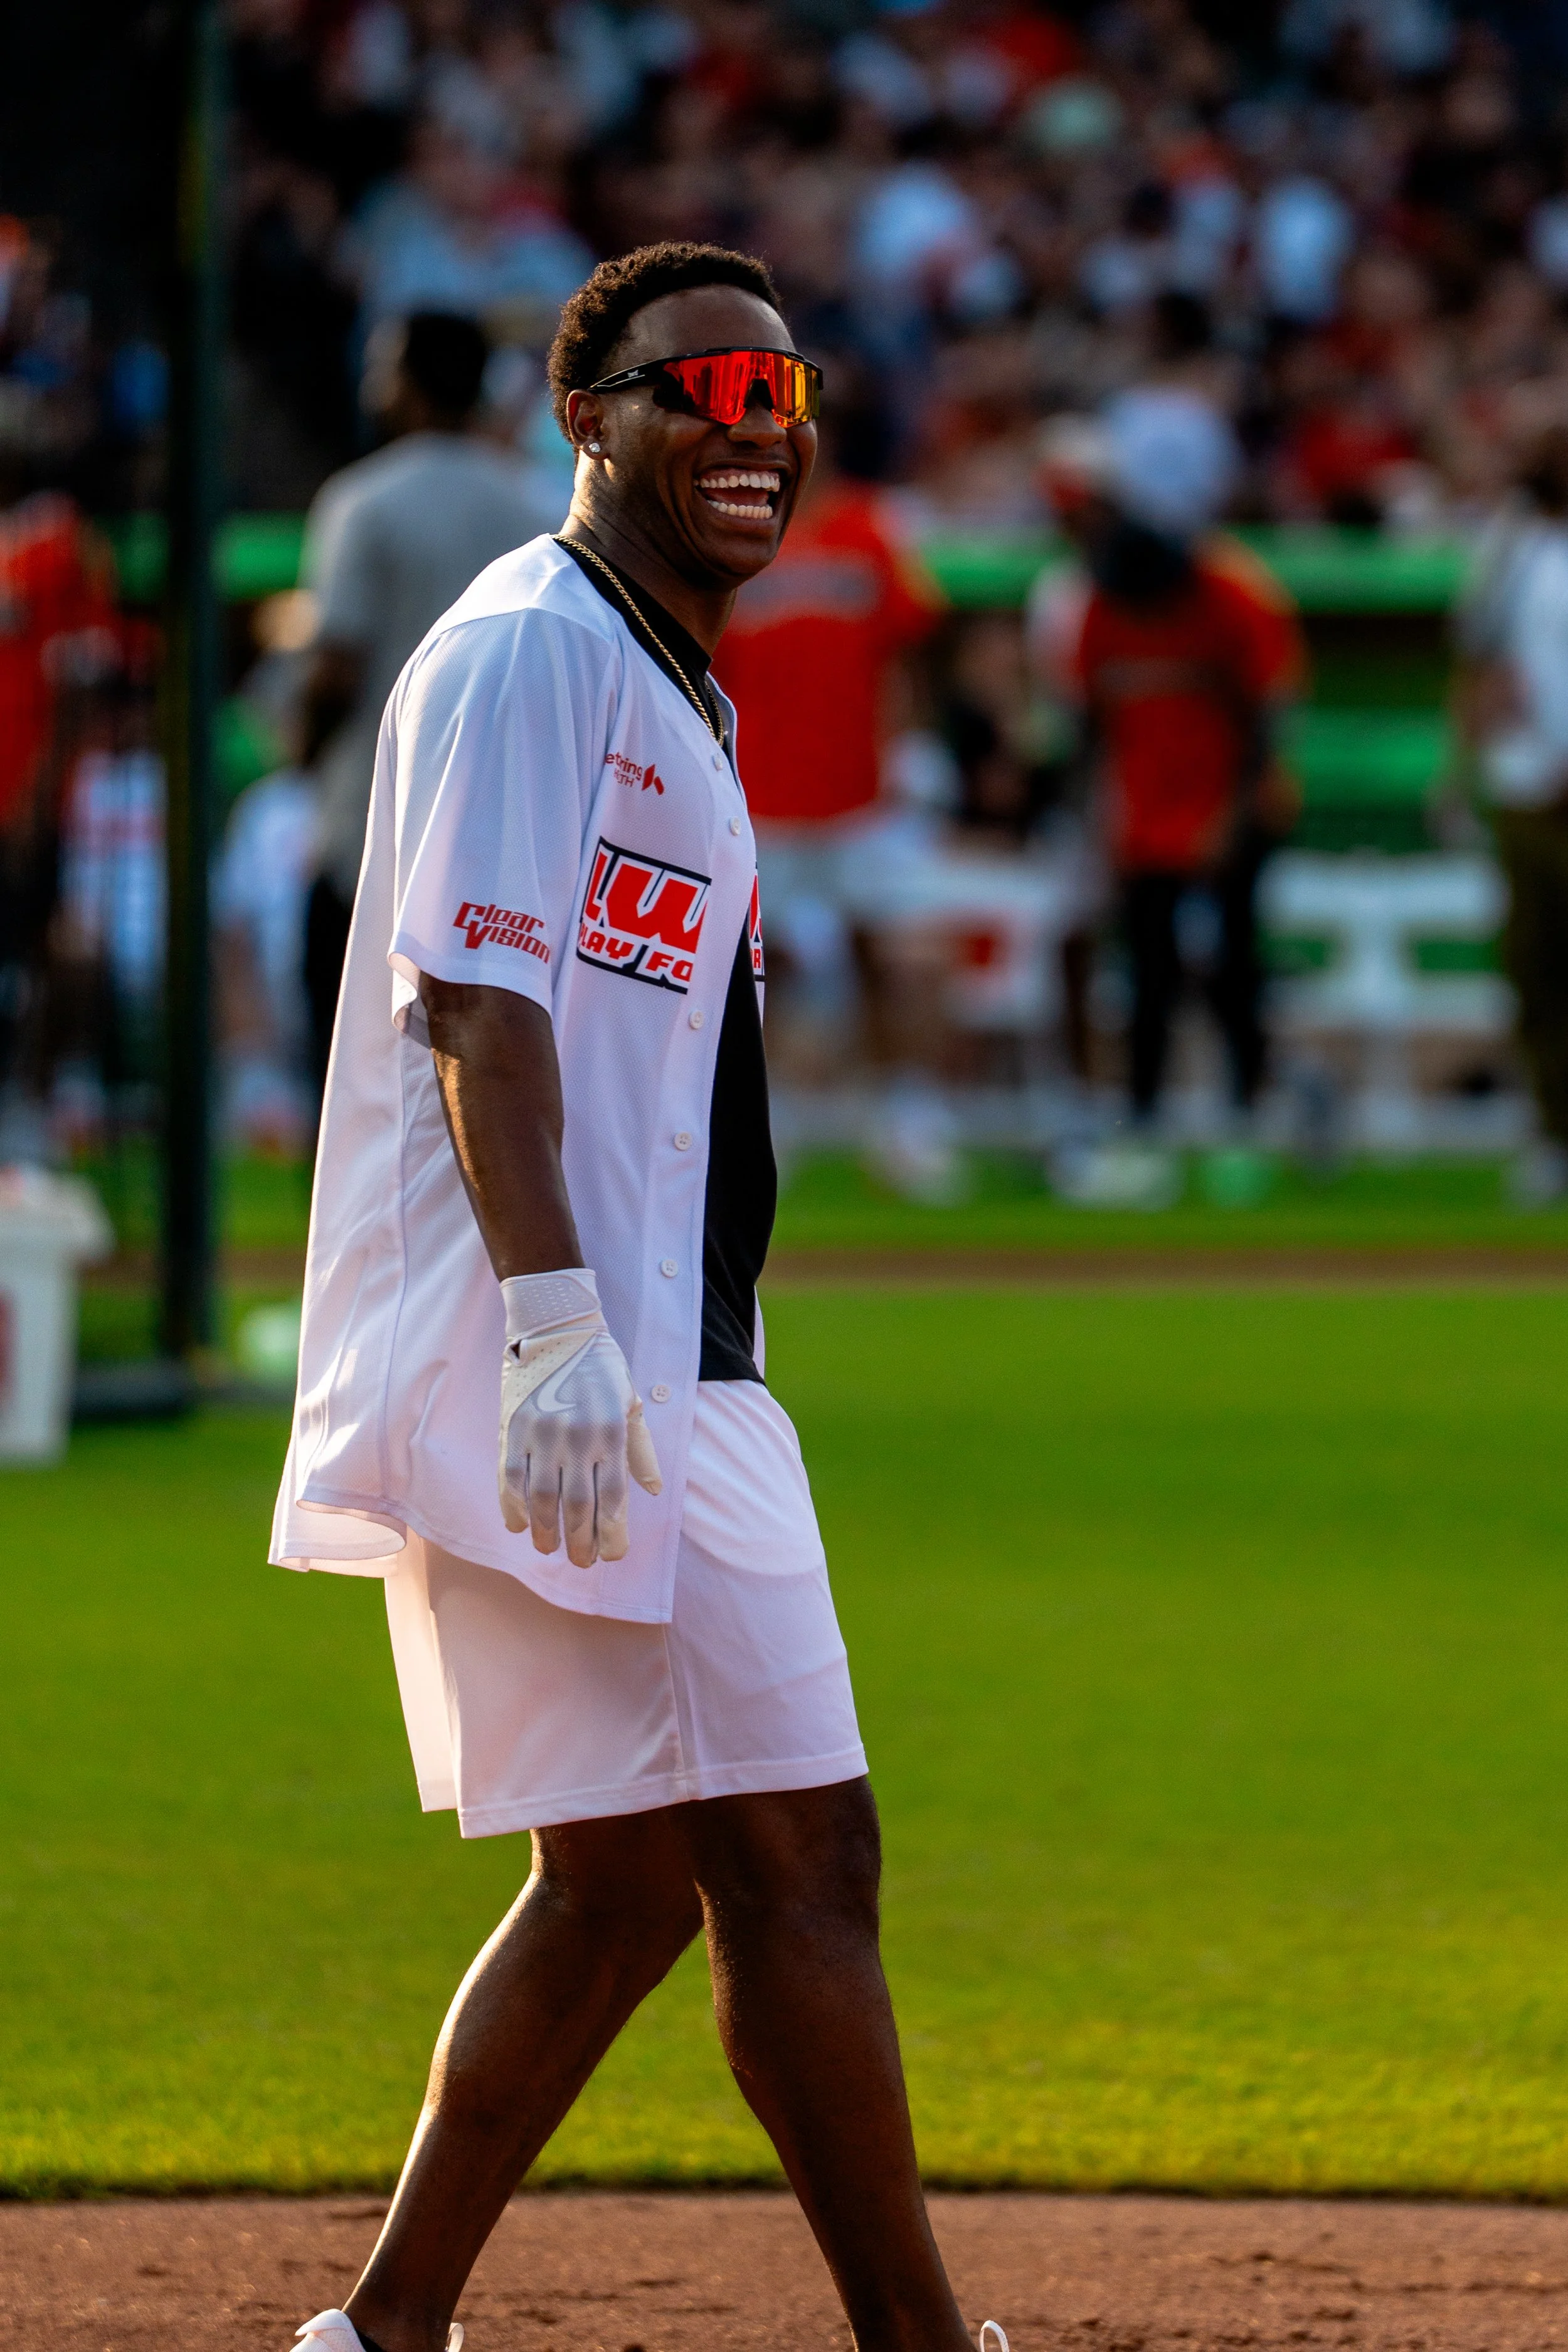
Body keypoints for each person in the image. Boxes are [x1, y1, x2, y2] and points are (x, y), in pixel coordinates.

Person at [271, 240, 1000, 2352]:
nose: (750, 430)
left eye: (783, 397)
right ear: (590, 416)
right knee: (801, 1868)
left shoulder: (666, 671)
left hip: (643, 1350)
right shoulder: (533, 650)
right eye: (701, 389)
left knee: (613, 1900)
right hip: (595, 1364)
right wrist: (558, 1327)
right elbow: (474, 1006)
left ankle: (382, 2332)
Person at [298, 307, 564, 1094]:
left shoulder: (364, 500)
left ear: (408, 381)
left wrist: (302, 754)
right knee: (485, 1070)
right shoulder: (535, 506)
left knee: (351, 1065)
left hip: (375, 819)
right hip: (504, 825)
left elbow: (336, 667)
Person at [1062, 413, 1305, 1135]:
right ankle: (1144, 1115)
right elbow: (1088, 726)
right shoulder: (1104, 606)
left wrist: (1231, 817)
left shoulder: (1234, 595)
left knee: (1235, 967)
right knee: (1148, 976)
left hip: (1233, 810)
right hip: (1142, 818)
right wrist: (1095, 822)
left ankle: (1247, 1105)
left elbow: (1268, 714)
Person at [711, 401, 943, 1069]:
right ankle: (769, 1112)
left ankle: (899, 1102)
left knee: (878, 950)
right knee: (760, 963)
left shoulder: (872, 525)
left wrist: (912, 748)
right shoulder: (738, 528)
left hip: (857, 784)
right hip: (761, 786)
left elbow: (909, 650)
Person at [1455, 423, 1568, 1204]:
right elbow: (1479, 666)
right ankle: (1556, 1133)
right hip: (1529, 790)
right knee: (1539, 966)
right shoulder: (1509, 554)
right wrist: (1463, 766)